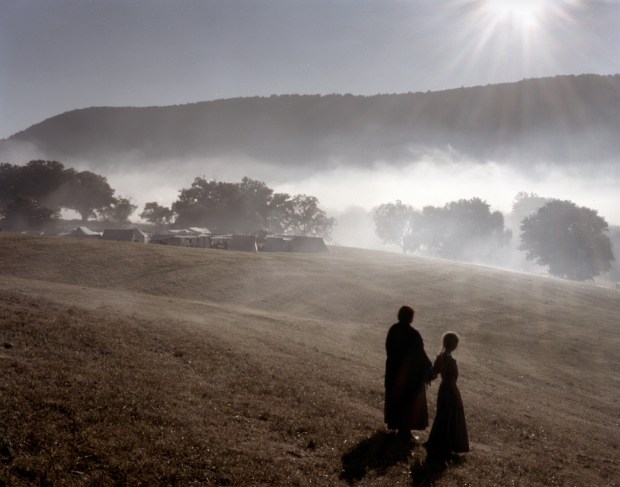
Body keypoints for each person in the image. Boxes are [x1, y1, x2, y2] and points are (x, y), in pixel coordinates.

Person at [384, 305, 433, 438]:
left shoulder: (393, 329)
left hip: (394, 372)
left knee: (396, 399)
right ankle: (405, 431)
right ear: (410, 318)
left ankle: (395, 425)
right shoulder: (413, 334)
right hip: (409, 376)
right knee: (408, 401)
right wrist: (429, 368)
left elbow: (389, 350)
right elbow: (420, 354)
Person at [425, 332, 469, 461]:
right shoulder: (451, 361)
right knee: (450, 416)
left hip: (442, 389)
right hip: (450, 391)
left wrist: (426, 377)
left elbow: (434, 372)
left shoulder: (440, 357)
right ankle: (448, 445)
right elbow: (452, 381)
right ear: (454, 345)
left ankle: (436, 441)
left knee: (442, 415)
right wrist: (458, 397)